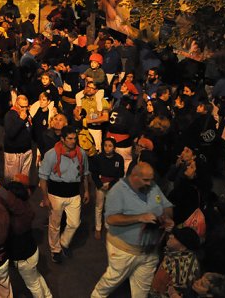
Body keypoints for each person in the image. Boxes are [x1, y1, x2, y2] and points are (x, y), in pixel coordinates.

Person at [91, 162, 174, 298]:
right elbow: (111, 219)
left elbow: (166, 205)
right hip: (124, 251)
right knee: (112, 280)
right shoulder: (118, 191)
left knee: (142, 291)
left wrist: (167, 217)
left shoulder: (153, 187)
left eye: (151, 179)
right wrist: (139, 217)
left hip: (149, 251)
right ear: (134, 176)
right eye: (145, 180)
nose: (149, 183)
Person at [38, 126, 90, 263]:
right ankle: (55, 250)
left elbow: (85, 174)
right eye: (70, 138)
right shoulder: (51, 154)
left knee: (74, 223)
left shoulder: (81, 153)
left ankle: (63, 242)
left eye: (75, 138)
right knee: (54, 225)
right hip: (56, 194)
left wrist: (86, 190)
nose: (73, 141)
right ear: (62, 139)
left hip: (74, 193)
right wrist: (45, 198)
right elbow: (43, 178)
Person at [91, 137, 125, 239]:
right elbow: (94, 173)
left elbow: (120, 174)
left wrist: (110, 185)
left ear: (114, 148)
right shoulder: (98, 157)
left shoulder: (119, 158)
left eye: (110, 146)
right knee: (99, 207)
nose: (107, 148)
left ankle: (108, 225)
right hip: (101, 184)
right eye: (105, 145)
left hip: (113, 186)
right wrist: (100, 185)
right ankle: (98, 228)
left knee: (110, 207)